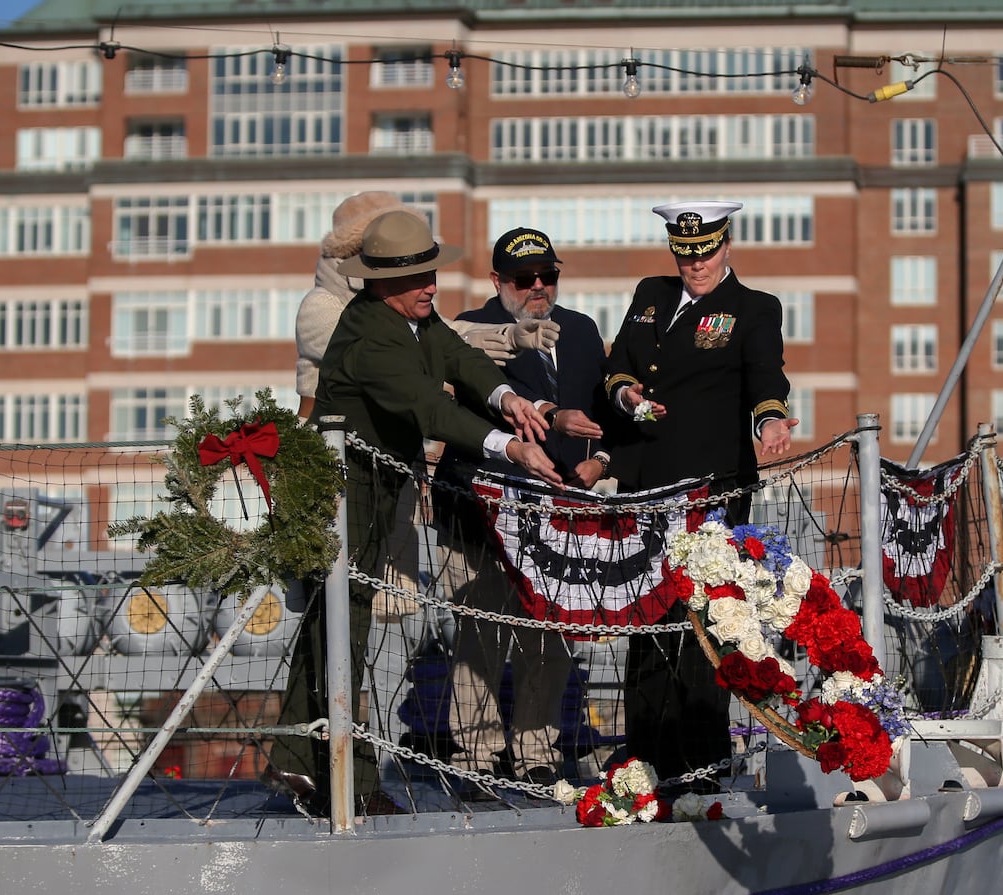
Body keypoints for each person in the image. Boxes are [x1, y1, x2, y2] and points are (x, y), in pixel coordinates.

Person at [266, 209, 563, 817]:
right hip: (340, 489)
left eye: (432, 271)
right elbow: (433, 409)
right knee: (343, 630)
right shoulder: (371, 335)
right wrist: (510, 445)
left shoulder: (415, 320)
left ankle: (293, 759)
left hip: (374, 486)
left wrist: (511, 399)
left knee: (333, 624)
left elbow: (462, 362)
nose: (432, 285)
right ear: (379, 281)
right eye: (417, 275)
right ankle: (356, 783)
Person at [602, 200, 799, 786]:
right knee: (649, 621)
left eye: (706, 253)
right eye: (685, 255)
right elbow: (618, 369)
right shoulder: (650, 294)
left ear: (726, 245)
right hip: (646, 489)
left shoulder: (752, 309)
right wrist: (628, 398)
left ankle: (698, 763)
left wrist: (771, 420)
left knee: (706, 623)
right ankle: (642, 756)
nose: (696, 266)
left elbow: (768, 376)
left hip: (709, 496)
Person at [440, 227, 610, 785]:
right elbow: (459, 370)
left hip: (559, 514)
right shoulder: (471, 329)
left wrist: (602, 461)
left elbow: (607, 415)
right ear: (497, 281)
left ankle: (536, 752)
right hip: (477, 509)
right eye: (523, 278)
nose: (538, 287)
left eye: (548, 276)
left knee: (551, 637)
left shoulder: (583, 332)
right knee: (480, 636)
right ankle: (475, 758)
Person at [294, 191, 560, 422]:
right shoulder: (320, 305)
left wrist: (509, 335)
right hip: (326, 446)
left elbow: (447, 330)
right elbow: (390, 358)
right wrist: (461, 347)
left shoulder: (394, 303)